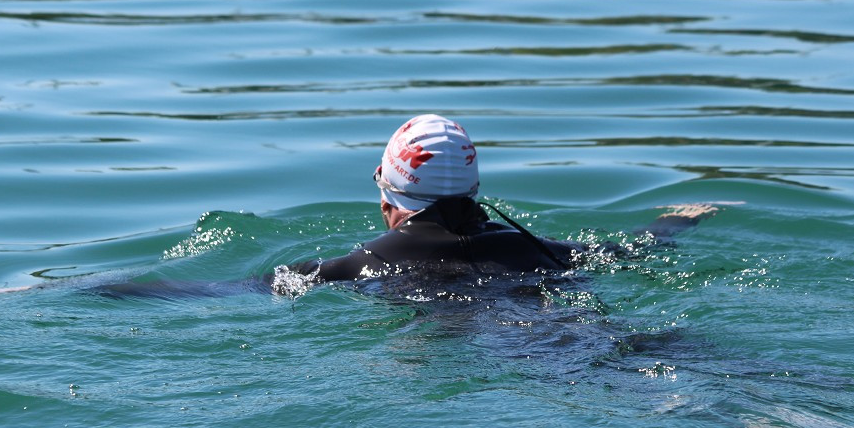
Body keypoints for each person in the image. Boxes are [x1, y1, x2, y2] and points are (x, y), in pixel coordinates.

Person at [281, 114, 718, 285]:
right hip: (560, 324)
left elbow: (232, 292)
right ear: (473, 191)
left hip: (491, 346)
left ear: (385, 199)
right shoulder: (534, 247)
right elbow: (626, 249)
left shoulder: (355, 266)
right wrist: (676, 221)